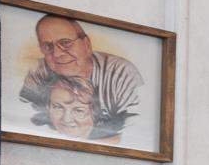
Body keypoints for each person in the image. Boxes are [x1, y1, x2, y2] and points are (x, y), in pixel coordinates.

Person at [19, 11, 146, 143]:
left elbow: (136, 134)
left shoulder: (122, 73)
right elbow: (22, 118)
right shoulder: (38, 71)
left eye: (65, 43)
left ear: (86, 44)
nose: (57, 54)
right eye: (47, 46)